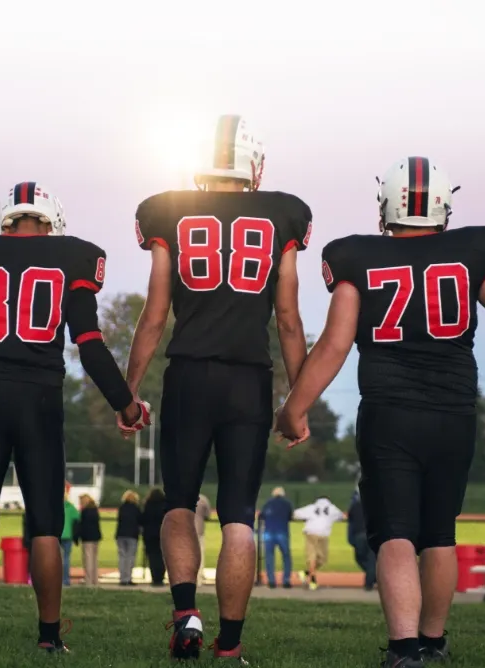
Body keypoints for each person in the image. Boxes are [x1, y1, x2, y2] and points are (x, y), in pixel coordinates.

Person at [274, 156, 485, 668]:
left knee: (395, 532)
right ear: (443, 207)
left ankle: (403, 652)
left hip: (390, 414)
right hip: (453, 413)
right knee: (439, 533)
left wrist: (294, 408)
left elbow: (333, 345)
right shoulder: (471, 252)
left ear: (385, 205)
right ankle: (433, 644)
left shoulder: (357, 257)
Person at [0, 182, 150, 660]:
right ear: (51, 223)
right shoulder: (73, 258)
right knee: (44, 525)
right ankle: (48, 637)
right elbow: (89, 343)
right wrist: (126, 404)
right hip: (40, 398)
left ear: (5, 220)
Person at [125, 115, 310, 661]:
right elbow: (289, 317)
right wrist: (297, 401)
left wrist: (128, 390)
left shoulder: (169, 209)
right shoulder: (282, 214)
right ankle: (229, 646)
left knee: (180, 502)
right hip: (247, 378)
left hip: (189, 373)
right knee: (238, 516)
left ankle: (186, 613)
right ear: (252, 165)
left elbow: (155, 313)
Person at [294, 495, 342, 591]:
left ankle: (306, 573)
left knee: (314, 558)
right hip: (323, 535)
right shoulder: (332, 508)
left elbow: (296, 513)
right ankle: (313, 581)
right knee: (320, 558)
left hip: (311, 533)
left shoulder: (312, 507)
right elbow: (341, 516)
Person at [257, 488, 296, 589]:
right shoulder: (287, 503)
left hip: (268, 532)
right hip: (282, 532)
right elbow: (290, 516)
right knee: (286, 557)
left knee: (269, 557)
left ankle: (271, 581)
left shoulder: (268, 503)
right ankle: (286, 580)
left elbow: (261, 516)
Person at [347, 489, 377, 591]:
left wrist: (350, 539)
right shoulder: (376, 506)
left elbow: (350, 523)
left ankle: (370, 579)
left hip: (359, 535)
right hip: (371, 535)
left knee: (359, 558)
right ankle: (372, 578)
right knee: (371, 560)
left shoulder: (355, 506)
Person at [141, 488, 168, 586]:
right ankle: (160, 578)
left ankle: (154, 578)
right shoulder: (165, 505)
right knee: (163, 557)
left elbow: (143, 519)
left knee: (152, 557)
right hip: (163, 534)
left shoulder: (148, 505)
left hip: (149, 534)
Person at [116, 490, 143, 586]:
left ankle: (122, 578)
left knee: (122, 557)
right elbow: (140, 521)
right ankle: (128, 578)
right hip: (132, 535)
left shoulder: (122, 508)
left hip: (121, 535)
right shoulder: (136, 508)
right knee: (130, 557)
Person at [75, 494, 103, 585]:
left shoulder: (84, 512)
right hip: (96, 537)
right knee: (94, 559)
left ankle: (89, 580)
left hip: (87, 538)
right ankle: (95, 580)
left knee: (88, 560)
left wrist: (77, 536)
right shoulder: (95, 510)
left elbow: (81, 526)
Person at [61, 486, 78, 587]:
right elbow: (78, 517)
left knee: (56, 559)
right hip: (68, 535)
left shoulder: (54, 506)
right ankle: (66, 580)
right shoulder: (71, 507)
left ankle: (56, 580)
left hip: (58, 535)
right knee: (66, 558)